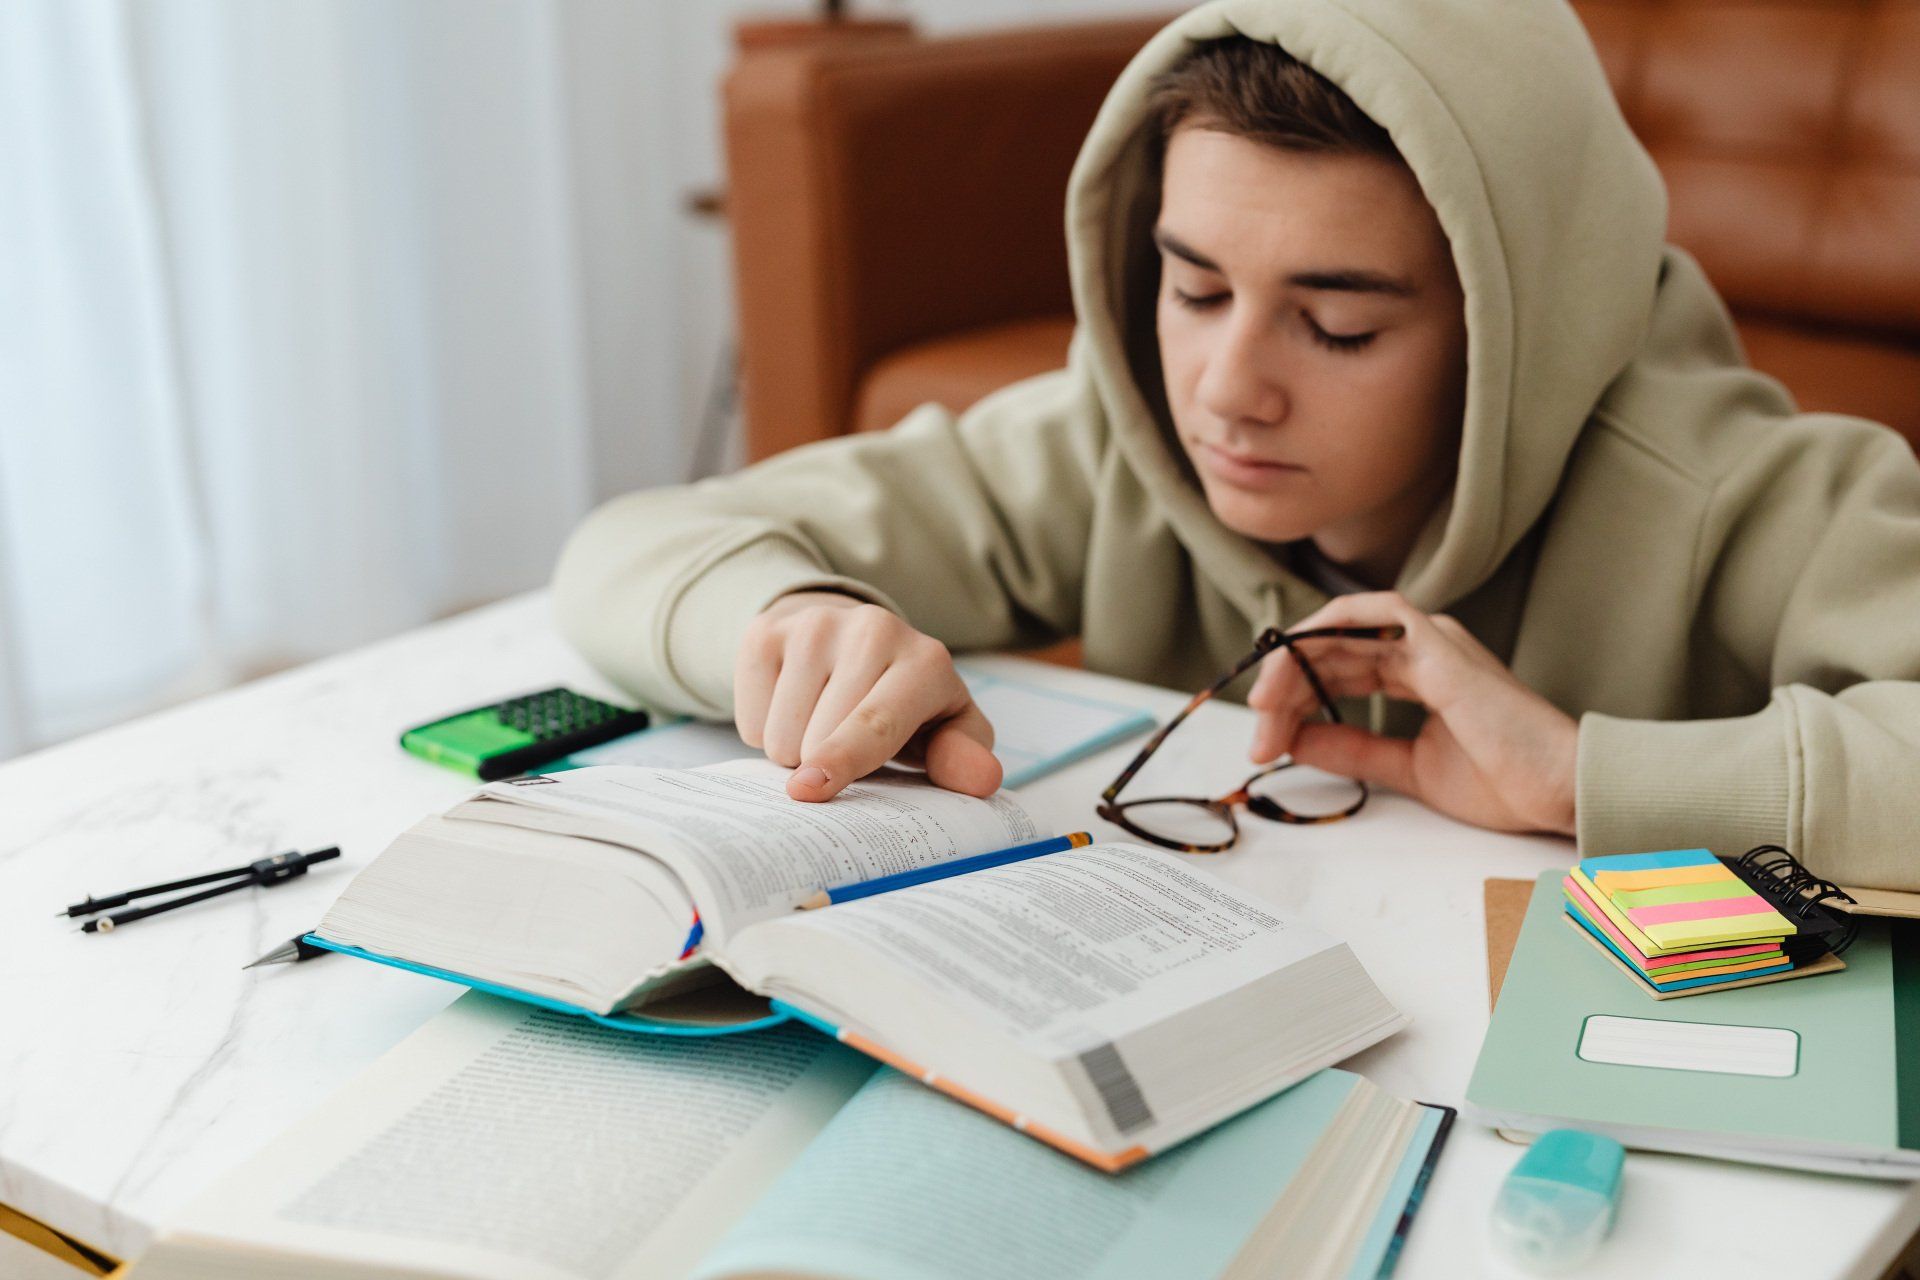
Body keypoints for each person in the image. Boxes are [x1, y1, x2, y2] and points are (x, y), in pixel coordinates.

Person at [553, 0, 1920, 889]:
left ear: (1522, 337)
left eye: (1334, 326)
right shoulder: (1119, 433)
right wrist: (795, 621)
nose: (1225, 390)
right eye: (1194, 288)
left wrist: (1578, 773)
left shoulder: (1754, 493)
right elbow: (633, 549)